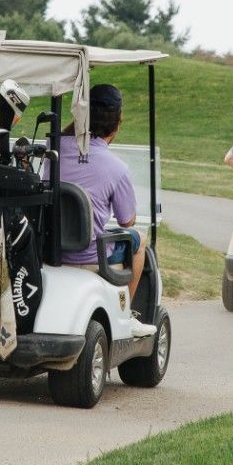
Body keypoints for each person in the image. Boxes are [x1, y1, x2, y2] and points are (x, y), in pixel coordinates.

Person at [54, 83, 154, 336]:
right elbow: (127, 220)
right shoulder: (116, 167)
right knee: (140, 239)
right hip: (91, 256)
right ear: (117, 123)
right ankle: (127, 315)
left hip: (52, 248)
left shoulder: (53, 151)